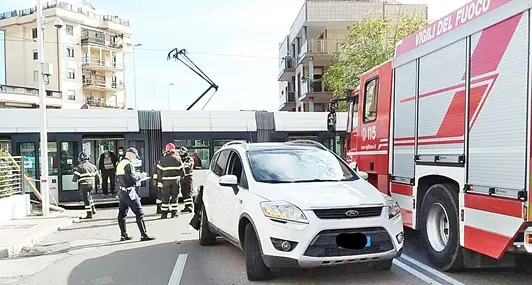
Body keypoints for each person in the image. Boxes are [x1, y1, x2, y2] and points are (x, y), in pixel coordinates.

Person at [116, 147, 155, 241]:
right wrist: (141, 176)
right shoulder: (128, 164)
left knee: (122, 214)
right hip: (129, 192)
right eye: (134, 156)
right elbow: (131, 179)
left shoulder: (120, 163)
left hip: (121, 191)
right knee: (139, 213)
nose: (134, 158)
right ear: (131, 154)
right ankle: (144, 235)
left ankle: (123, 235)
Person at [156, 143, 185, 219]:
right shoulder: (178, 158)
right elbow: (182, 172)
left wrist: (161, 179)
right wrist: (180, 177)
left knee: (165, 197)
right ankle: (174, 213)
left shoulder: (162, 159)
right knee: (174, 197)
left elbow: (159, 171)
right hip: (175, 181)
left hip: (165, 181)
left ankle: (164, 214)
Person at [72, 152, 100, 219]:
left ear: (81, 159)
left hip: (84, 185)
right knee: (89, 196)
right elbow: (97, 176)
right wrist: (99, 183)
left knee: (86, 199)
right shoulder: (93, 166)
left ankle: (89, 214)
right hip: (91, 185)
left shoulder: (80, 167)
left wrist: (74, 180)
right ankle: (93, 209)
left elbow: (75, 178)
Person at [178, 146, 194, 213]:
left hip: (188, 177)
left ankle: (190, 206)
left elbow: (189, 165)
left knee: (188, 192)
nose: (181, 153)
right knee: (183, 192)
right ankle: (186, 206)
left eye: (182, 151)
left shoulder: (189, 159)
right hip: (182, 178)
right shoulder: (179, 159)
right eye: (180, 152)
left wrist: (183, 165)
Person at [153, 148, 165, 214]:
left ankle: (161, 208)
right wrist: (155, 180)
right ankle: (159, 208)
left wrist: (155, 180)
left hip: (162, 180)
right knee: (161, 195)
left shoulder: (160, 161)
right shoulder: (160, 161)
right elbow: (155, 172)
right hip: (161, 181)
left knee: (163, 195)